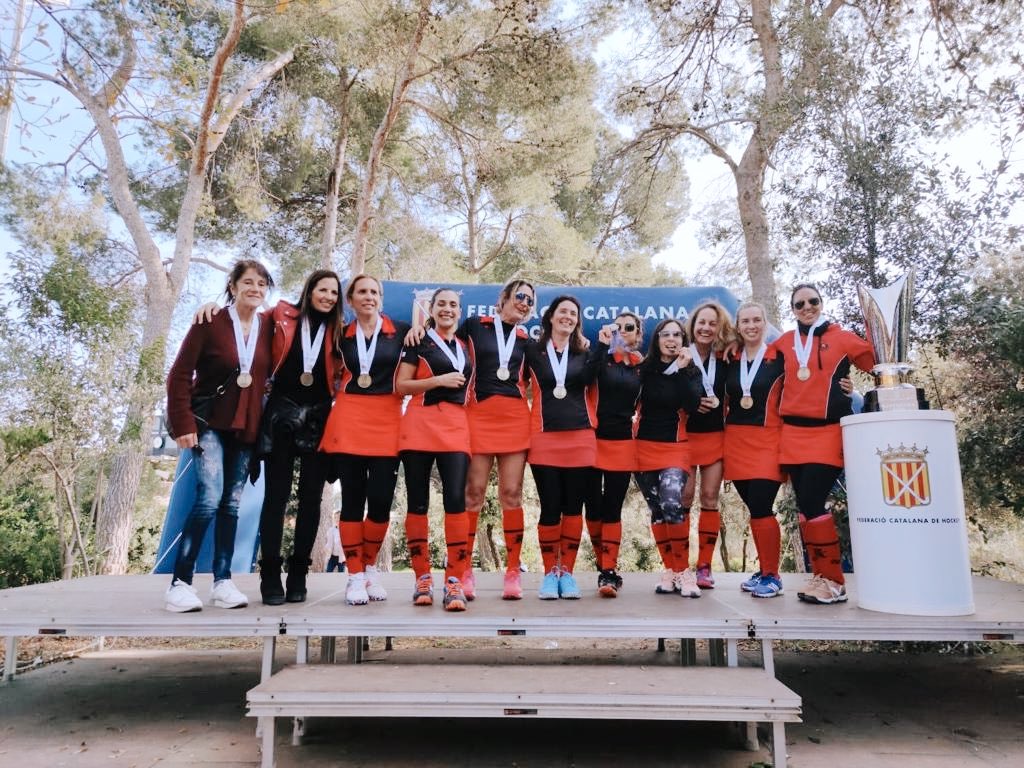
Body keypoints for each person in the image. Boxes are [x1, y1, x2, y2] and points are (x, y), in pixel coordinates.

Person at [404, 279, 536, 600]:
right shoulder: (475, 326)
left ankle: (513, 570)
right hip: (477, 417)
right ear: (502, 298)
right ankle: (463, 571)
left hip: (515, 419)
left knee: (512, 493)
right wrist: (416, 330)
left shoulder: (527, 340)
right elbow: (441, 342)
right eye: (519, 296)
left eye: (530, 300)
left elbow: (535, 382)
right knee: (472, 494)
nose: (524, 303)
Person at [163, 259, 274, 612]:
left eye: (262, 284)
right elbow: (179, 374)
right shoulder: (209, 321)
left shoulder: (268, 327)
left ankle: (223, 581)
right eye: (248, 282)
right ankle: (179, 583)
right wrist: (182, 423)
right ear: (233, 286)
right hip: (208, 424)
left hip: (246, 428)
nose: (255, 289)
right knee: (209, 497)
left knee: (231, 503)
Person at [773, 283, 874, 605]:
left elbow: (877, 361)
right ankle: (821, 576)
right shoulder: (785, 342)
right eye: (800, 303)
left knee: (815, 501)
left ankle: (834, 581)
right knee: (806, 507)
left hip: (827, 432)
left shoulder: (842, 337)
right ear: (792, 309)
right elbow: (756, 365)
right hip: (792, 433)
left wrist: (853, 384)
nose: (807, 307)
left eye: (812, 301)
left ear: (821, 303)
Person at [320, 275, 411, 605]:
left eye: (374, 292)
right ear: (351, 300)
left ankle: (370, 565)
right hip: (349, 418)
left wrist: (421, 326)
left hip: (388, 419)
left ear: (381, 299)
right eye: (362, 292)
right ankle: (355, 575)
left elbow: (442, 331)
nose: (368, 297)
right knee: (353, 500)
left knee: (382, 501)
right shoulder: (339, 335)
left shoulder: (402, 331)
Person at [254, 270, 343, 604]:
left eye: (334, 293)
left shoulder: (339, 330)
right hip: (282, 413)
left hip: (320, 417)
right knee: (275, 497)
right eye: (323, 290)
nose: (329, 297)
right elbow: (243, 317)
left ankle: (299, 573)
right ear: (309, 290)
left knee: (311, 500)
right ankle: (270, 573)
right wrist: (211, 307)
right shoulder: (281, 314)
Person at [396, 288, 474, 611]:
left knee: (456, 501)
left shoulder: (465, 344)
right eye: (441, 304)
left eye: (453, 305)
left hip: (456, 429)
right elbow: (401, 385)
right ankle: (422, 578)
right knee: (418, 502)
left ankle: (454, 580)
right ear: (431, 308)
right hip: (419, 425)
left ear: (459, 311)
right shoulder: (417, 341)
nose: (448, 309)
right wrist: (438, 381)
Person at [525, 295, 600, 600]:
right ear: (551, 317)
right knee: (550, 506)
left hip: (581, 437)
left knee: (573, 508)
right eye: (562, 312)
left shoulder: (586, 351)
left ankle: (566, 572)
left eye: (573, 313)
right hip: (544, 436)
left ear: (577, 320)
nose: (567, 316)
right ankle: (548, 574)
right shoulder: (532, 350)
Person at [634, 318, 703, 598]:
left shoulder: (691, 370)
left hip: (675, 447)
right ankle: (670, 570)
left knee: (672, 502)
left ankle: (684, 570)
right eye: (666, 335)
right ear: (657, 339)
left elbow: (692, 405)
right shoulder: (643, 369)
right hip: (641, 448)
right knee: (658, 511)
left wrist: (685, 371)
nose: (671, 339)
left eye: (677, 335)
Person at [722, 302, 787, 598]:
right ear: (737, 326)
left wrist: (844, 386)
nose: (751, 325)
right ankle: (764, 571)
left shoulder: (780, 357)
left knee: (762, 506)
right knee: (754, 508)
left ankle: (773, 576)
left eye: (757, 320)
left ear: (765, 322)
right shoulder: (729, 358)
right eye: (745, 321)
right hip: (735, 441)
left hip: (768, 440)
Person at [585, 313, 644, 597]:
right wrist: (600, 346)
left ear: (637, 335)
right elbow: (583, 377)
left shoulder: (641, 367)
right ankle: (602, 562)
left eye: (628, 328)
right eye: (616, 327)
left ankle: (608, 570)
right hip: (593, 440)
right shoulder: (598, 359)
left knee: (613, 508)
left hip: (623, 442)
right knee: (593, 507)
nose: (622, 331)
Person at [682, 301, 733, 589]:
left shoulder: (725, 357)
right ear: (693, 324)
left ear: (719, 328)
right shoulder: (681, 354)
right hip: (686, 436)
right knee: (685, 498)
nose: (706, 328)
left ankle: (704, 565)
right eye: (702, 322)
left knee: (710, 498)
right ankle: (681, 565)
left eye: (712, 323)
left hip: (715, 436)